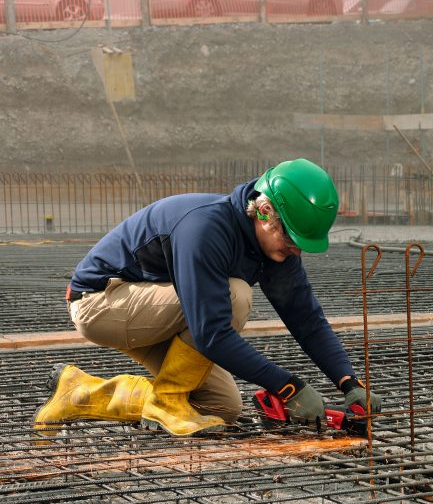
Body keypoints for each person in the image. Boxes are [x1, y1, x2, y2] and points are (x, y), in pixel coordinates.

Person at [34, 158, 380, 438]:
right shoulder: (206, 230)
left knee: (224, 408)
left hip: (158, 310)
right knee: (235, 295)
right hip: (101, 302)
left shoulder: (276, 250)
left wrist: (348, 382)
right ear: (263, 212)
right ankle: (167, 401)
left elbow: (306, 319)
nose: (294, 250)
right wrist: (289, 387)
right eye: (290, 238)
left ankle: (78, 392)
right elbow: (212, 333)